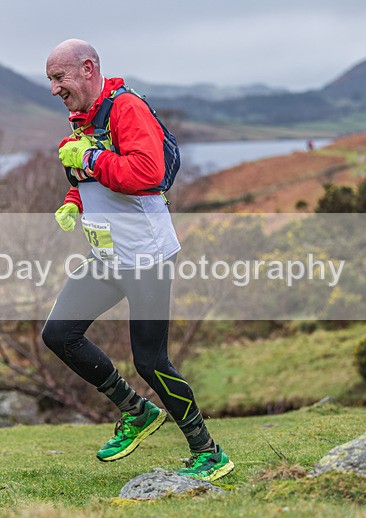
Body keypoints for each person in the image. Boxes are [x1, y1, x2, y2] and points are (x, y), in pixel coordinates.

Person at [40, 39, 234, 482]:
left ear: (88, 69)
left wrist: (88, 156)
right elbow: (92, 179)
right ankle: (136, 411)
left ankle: (208, 452)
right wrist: (73, 200)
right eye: (50, 80)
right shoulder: (81, 118)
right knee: (60, 334)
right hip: (107, 256)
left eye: (59, 78)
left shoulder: (126, 109)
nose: (54, 89)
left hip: (146, 257)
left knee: (151, 361)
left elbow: (146, 174)